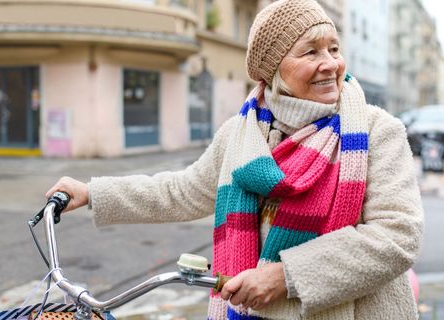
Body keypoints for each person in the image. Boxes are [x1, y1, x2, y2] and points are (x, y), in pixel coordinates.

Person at [46, 0, 424, 319]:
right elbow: (183, 190)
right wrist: (93, 193)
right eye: (311, 51)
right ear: (272, 69)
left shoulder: (376, 131)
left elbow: (397, 235)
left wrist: (286, 276)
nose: (331, 64)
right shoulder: (242, 135)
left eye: (334, 49)